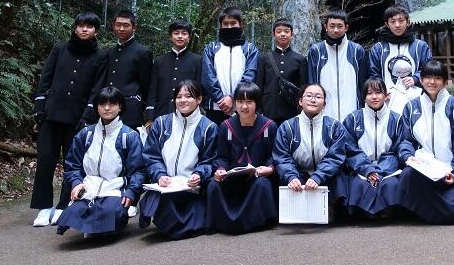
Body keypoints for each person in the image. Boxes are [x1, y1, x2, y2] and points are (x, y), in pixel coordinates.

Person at [31, 11, 107, 227]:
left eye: (89, 26)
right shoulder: (60, 48)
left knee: (72, 163)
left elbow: (97, 88)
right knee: (45, 159)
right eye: (81, 25)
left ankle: (64, 205)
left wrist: (88, 115)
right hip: (52, 113)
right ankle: (44, 207)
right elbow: (46, 78)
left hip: (78, 117)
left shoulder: (100, 56)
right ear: (75, 28)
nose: (85, 29)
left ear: (95, 31)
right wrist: (40, 105)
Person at [56, 87, 144, 237]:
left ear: (120, 106)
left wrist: (131, 192)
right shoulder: (86, 134)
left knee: (110, 215)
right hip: (89, 187)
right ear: (97, 107)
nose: (107, 108)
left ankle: (110, 221)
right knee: (68, 217)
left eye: (112, 104)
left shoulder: (129, 136)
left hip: (115, 189)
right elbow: (72, 165)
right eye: (102, 104)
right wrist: (76, 183)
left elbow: (139, 171)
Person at [139, 80, 218, 239]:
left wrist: (199, 174)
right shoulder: (161, 123)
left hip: (191, 188)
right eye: (179, 96)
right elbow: (151, 156)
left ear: (199, 99)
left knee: (195, 220)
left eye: (188, 96)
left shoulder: (209, 127)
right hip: (165, 187)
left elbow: (209, 160)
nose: (183, 100)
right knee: (166, 212)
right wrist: (159, 175)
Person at [395, 60, 454, 224]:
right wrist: (407, 156)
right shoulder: (411, 107)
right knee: (407, 176)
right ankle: (427, 208)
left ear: (445, 82)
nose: (432, 82)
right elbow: (405, 140)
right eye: (428, 77)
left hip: (446, 171)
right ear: (421, 80)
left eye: (437, 78)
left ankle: (421, 209)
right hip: (422, 169)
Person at [206, 82, 278, 234]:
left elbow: (274, 156)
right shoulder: (225, 126)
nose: (244, 106)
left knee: (262, 185)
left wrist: (269, 168)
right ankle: (221, 223)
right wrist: (220, 169)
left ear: (257, 103)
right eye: (240, 101)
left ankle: (255, 222)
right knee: (213, 185)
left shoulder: (269, 126)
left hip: (257, 176)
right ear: (235, 103)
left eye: (249, 102)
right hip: (232, 177)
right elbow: (221, 156)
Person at [272, 84, 348, 206]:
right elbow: (282, 157)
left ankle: (332, 210)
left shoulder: (335, 127)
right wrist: (291, 177)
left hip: (326, 175)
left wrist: (318, 176)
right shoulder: (287, 127)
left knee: (338, 178)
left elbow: (335, 158)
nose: (313, 100)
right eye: (309, 96)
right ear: (300, 101)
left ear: (324, 104)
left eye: (318, 97)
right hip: (298, 174)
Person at [342, 78, 404, 217]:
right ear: (363, 97)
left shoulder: (397, 119)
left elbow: (397, 149)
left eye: (378, 92)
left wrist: (379, 171)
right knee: (359, 184)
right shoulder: (353, 119)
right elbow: (350, 150)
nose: (374, 97)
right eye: (369, 93)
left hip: (388, 170)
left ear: (386, 95)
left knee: (390, 184)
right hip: (361, 168)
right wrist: (368, 170)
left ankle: (386, 213)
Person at [88, 10, 153, 130]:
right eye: (118, 25)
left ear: (134, 27)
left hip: (131, 111)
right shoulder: (109, 52)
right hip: (107, 109)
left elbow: (147, 85)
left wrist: (145, 111)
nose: (121, 29)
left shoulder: (142, 52)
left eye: (126, 25)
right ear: (113, 26)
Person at [368, 4, 432, 115]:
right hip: (387, 100)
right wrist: (380, 91)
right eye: (392, 22)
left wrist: (416, 78)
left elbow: (429, 69)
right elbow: (373, 74)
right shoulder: (378, 49)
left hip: (415, 99)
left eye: (401, 21)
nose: (397, 25)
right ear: (387, 24)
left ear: (408, 22)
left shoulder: (420, 46)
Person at [202, 7, 259, 124]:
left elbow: (250, 75)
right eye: (225, 24)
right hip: (215, 106)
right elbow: (208, 76)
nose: (229, 27)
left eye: (233, 23)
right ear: (220, 25)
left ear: (240, 24)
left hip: (242, 106)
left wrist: (233, 97)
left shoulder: (250, 49)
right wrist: (221, 99)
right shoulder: (211, 48)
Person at [307, 9, 366, 121]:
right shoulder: (316, 51)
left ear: (346, 27)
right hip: (324, 113)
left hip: (353, 113)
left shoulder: (357, 50)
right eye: (332, 26)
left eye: (340, 26)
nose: (336, 30)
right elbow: (311, 82)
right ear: (326, 27)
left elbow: (363, 83)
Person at [146, 19, 202, 122]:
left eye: (184, 33)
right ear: (170, 36)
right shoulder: (159, 61)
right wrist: (150, 116)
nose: (180, 36)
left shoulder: (197, 60)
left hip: (188, 115)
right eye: (176, 33)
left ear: (189, 37)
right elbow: (153, 91)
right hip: (162, 113)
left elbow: (199, 89)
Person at [256, 18, 307, 125]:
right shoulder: (264, 58)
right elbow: (259, 85)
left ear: (292, 35)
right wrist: (259, 110)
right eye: (279, 31)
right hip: (269, 109)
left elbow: (303, 87)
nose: (283, 34)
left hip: (291, 110)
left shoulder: (300, 60)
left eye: (286, 31)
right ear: (273, 35)